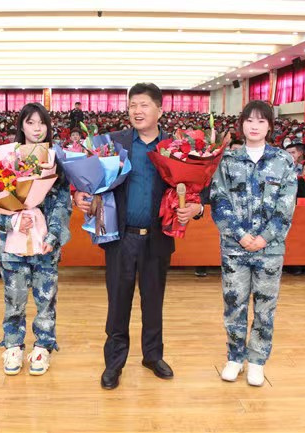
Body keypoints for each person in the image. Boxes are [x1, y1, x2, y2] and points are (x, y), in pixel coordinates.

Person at [74, 83, 203, 390]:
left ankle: (153, 356)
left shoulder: (176, 148)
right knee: (118, 302)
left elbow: (198, 188)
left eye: (144, 105)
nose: (137, 110)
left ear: (160, 110)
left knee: (153, 301)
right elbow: (87, 178)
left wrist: (196, 208)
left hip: (157, 237)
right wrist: (78, 194)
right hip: (120, 237)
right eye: (132, 105)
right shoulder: (113, 143)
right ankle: (114, 363)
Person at [210, 100, 297, 387]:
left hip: (269, 249)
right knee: (234, 304)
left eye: (261, 121)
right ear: (242, 125)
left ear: (270, 126)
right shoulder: (228, 161)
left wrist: (264, 238)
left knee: (264, 307)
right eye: (249, 121)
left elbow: (286, 207)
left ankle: (257, 361)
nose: (255, 126)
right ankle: (235, 358)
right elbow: (219, 201)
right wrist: (240, 235)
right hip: (235, 248)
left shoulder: (283, 161)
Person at [0, 103, 72, 377]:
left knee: (46, 299)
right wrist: (13, 221)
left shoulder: (56, 162)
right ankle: (13, 345)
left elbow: (62, 204)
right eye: (30, 122)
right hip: (13, 246)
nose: (37, 128)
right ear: (21, 126)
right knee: (13, 298)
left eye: (42, 123)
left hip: (44, 245)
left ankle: (43, 346)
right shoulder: (6, 161)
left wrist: (54, 234)